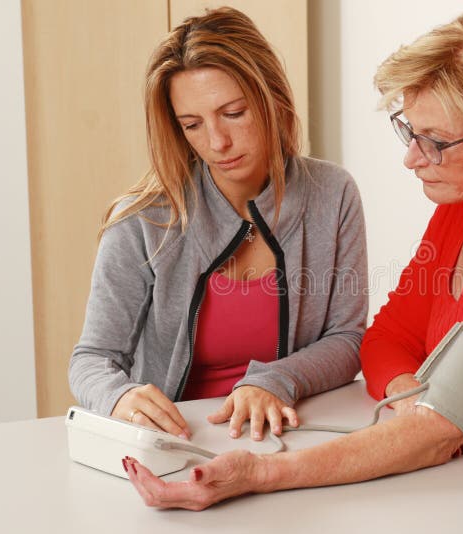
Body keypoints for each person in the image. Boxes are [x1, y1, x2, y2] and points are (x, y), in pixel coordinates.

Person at [123, 11, 463, 515]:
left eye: (436, 142)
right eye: (410, 131)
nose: (412, 158)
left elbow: (439, 432)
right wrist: (417, 401)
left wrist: (261, 474)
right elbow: (385, 340)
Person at [69, 7, 367, 443]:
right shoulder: (142, 220)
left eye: (233, 113)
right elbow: (92, 358)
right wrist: (118, 397)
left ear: (272, 98)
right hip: (176, 444)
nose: (217, 142)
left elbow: (346, 340)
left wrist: (273, 379)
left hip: (294, 436)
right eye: (192, 124)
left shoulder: (333, 193)